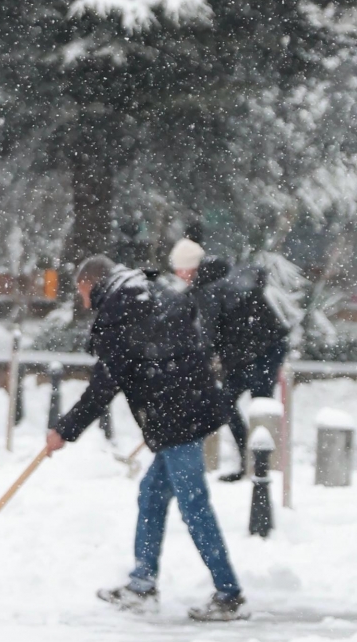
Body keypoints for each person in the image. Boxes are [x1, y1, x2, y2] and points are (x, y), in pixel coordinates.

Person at [46, 255, 247, 621]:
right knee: (153, 493)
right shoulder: (150, 291)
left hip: (176, 418)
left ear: (91, 283)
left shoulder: (119, 312)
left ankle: (228, 594)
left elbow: (104, 385)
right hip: (191, 404)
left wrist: (64, 430)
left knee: (193, 504)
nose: (84, 302)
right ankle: (142, 584)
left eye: (82, 292)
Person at [172, 240, 290, 481]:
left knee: (257, 406)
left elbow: (208, 335)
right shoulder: (219, 279)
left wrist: (198, 364)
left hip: (261, 352)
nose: (176, 274)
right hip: (255, 350)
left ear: (189, 268)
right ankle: (254, 464)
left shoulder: (210, 288)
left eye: (178, 268)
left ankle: (260, 471)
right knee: (229, 404)